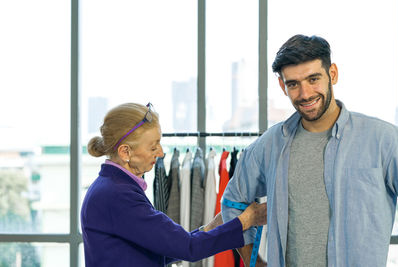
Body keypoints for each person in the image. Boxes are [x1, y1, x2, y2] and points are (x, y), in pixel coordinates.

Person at [221, 34, 398, 267]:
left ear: (332, 74)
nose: (305, 94)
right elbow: (233, 200)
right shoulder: (270, 145)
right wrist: (253, 261)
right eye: (293, 84)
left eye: (313, 79)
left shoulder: (383, 139)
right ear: (282, 86)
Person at [80, 102, 267, 267]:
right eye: (153, 147)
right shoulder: (118, 195)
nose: (161, 153)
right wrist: (245, 221)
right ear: (125, 152)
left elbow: (160, 250)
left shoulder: (112, 187)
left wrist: (212, 227)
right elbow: (189, 248)